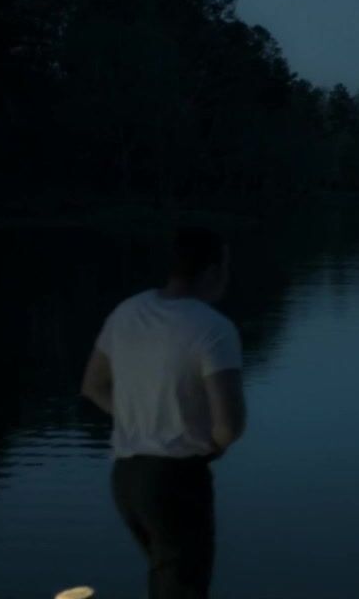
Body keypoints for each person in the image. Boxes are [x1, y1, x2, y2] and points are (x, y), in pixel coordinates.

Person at [80, 226, 246, 598]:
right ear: (212, 270)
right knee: (182, 587)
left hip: (126, 479)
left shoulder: (128, 312)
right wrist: (215, 444)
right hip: (177, 480)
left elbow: (93, 386)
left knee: (166, 579)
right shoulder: (213, 328)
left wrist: (141, 419)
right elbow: (230, 424)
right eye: (226, 266)